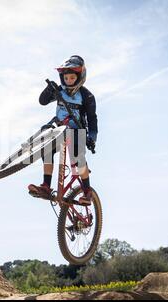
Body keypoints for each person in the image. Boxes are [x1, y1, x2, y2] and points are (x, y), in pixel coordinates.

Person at [28, 55, 98, 205]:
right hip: (59, 127)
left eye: (72, 78)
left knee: (78, 160)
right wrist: (49, 90)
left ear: (80, 77)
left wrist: (92, 137)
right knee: (46, 150)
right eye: (65, 78)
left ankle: (87, 192)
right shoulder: (60, 91)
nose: (68, 81)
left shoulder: (87, 96)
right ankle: (46, 186)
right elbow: (43, 101)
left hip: (76, 130)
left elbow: (92, 119)